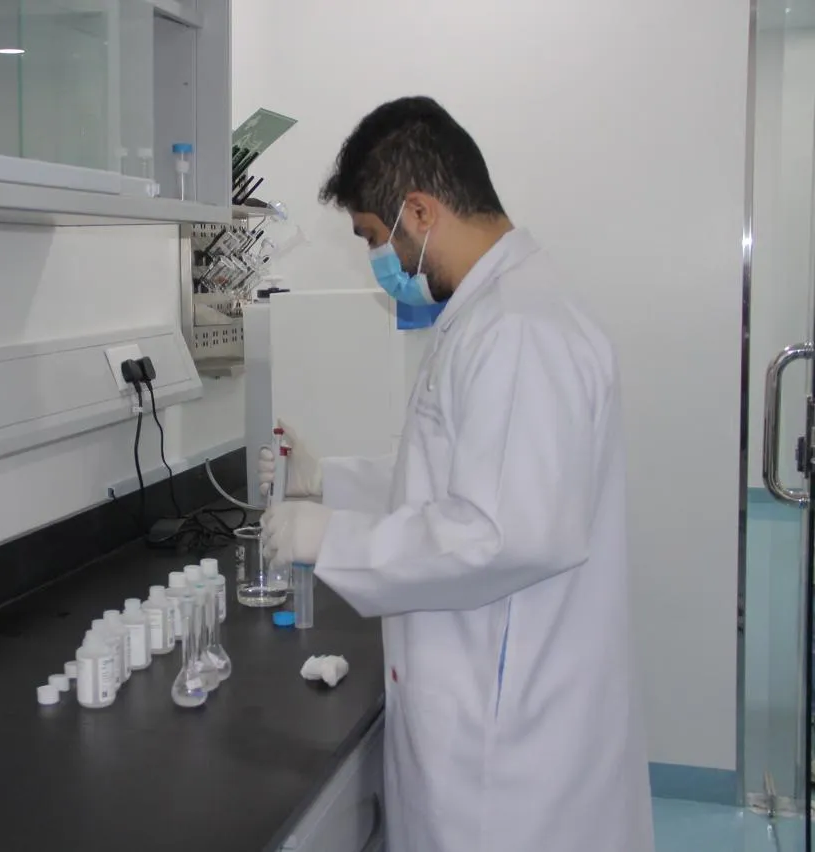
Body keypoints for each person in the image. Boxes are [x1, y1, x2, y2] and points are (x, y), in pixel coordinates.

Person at [259, 97, 654, 852]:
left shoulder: (517, 330)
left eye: (375, 239)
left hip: (509, 759)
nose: (380, 265)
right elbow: (459, 477)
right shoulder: (493, 312)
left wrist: (334, 539)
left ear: (420, 211)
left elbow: (500, 534)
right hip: (490, 714)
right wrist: (328, 482)